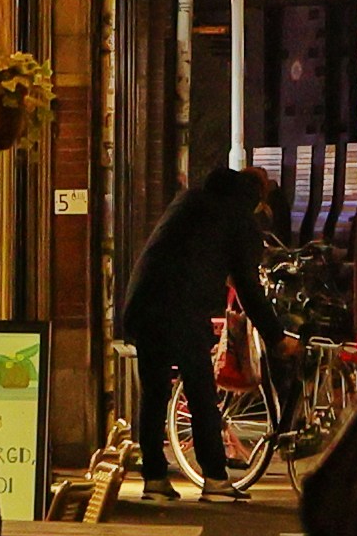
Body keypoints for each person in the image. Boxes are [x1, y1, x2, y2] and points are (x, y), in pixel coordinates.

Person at [116, 165, 270, 496]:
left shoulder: (188, 200)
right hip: (182, 310)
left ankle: (154, 479)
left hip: (144, 303)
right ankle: (215, 479)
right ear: (257, 195)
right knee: (201, 393)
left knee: (154, 393)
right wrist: (275, 333)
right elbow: (246, 283)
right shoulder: (235, 215)